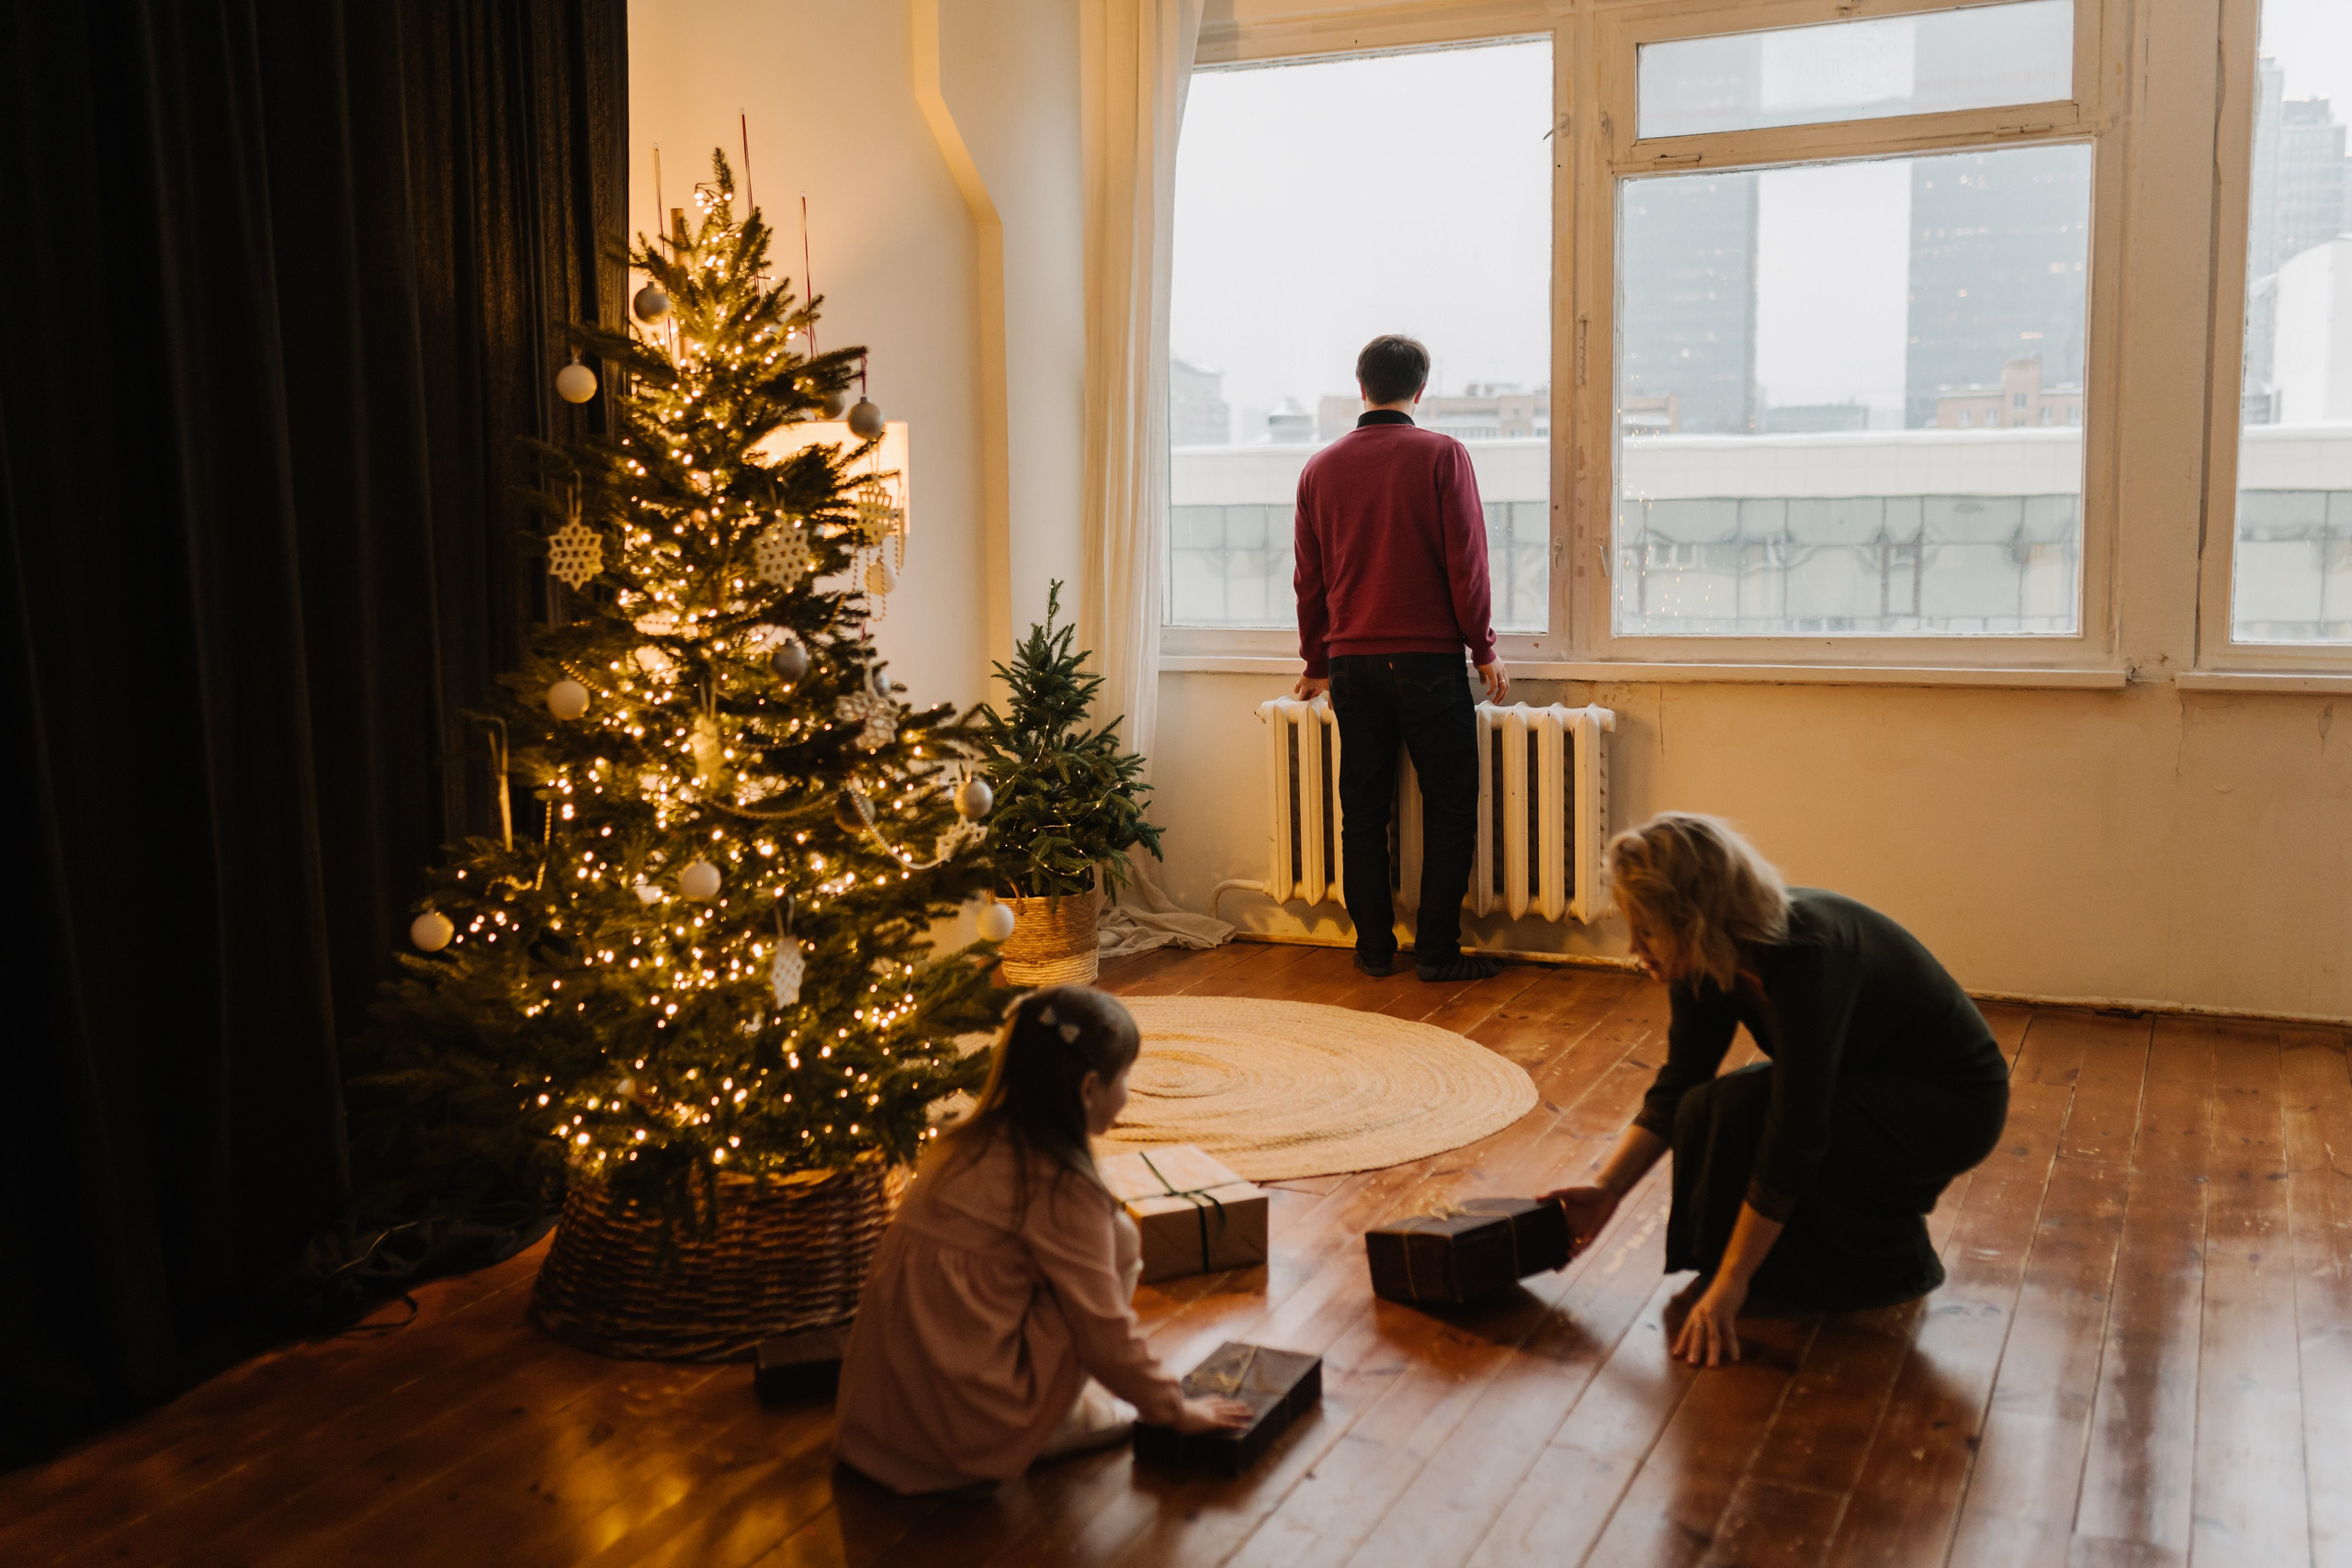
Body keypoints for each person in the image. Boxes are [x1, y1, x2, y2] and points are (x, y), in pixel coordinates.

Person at [1543, 814, 2010, 1367]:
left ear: (1694, 920)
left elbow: (1798, 1130)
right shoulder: (1709, 957)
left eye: (1647, 931)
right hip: (1865, 1085)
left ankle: (1860, 1267)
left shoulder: (1808, 954)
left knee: (1755, 1114)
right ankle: (1775, 1268)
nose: (1634, 947)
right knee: (1707, 1108)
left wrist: (1734, 1283)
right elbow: (1678, 1088)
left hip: (1951, 1106)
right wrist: (1607, 1191)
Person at [834, 986, 1250, 1494]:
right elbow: (1104, 1335)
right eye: (1125, 1078)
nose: (1129, 1094)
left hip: (873, 1426)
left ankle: (1031, 1410)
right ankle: (1053, 1425)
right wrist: (1174, 1410)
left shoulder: (955, 1144)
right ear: (1089, 1089)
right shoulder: (1059, 1189)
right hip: (967, 1440)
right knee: (1118, 1237)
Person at [1293, 333, 1509, 983]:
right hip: (1427, 662)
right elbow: (1465, 563)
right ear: (1420, 390)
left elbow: (1310, 580)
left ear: (1362, 386)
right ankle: (1438, 954)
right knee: (1449, 807)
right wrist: (1484, 647)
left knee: (1362, 813)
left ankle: (1374, 951)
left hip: (1352, 664)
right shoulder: (1444, 455)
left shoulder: (1319, 470)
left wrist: (1315, 661)